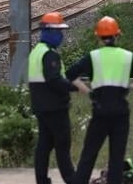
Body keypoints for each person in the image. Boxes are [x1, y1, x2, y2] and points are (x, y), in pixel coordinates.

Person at [66, 16, 133, 184]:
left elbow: (70, 74)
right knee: (116, 157)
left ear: (99, 37)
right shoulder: (127, 56)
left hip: (100, 112)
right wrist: (132, 86)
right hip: (121, 113)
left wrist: (88, 91)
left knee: (88, 154)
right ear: (117, 35)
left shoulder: (93, 57)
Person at [28, 12, 90, 184]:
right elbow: (54, 80)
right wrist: (75, 87)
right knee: (62, 144)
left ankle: (42, 180)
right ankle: (71, 179)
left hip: (41, 106)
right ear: (49, 32)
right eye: (59, 32)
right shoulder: (49, 55)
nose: (61, 35)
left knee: (44, 145)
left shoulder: (36, 52)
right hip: (54, 107)